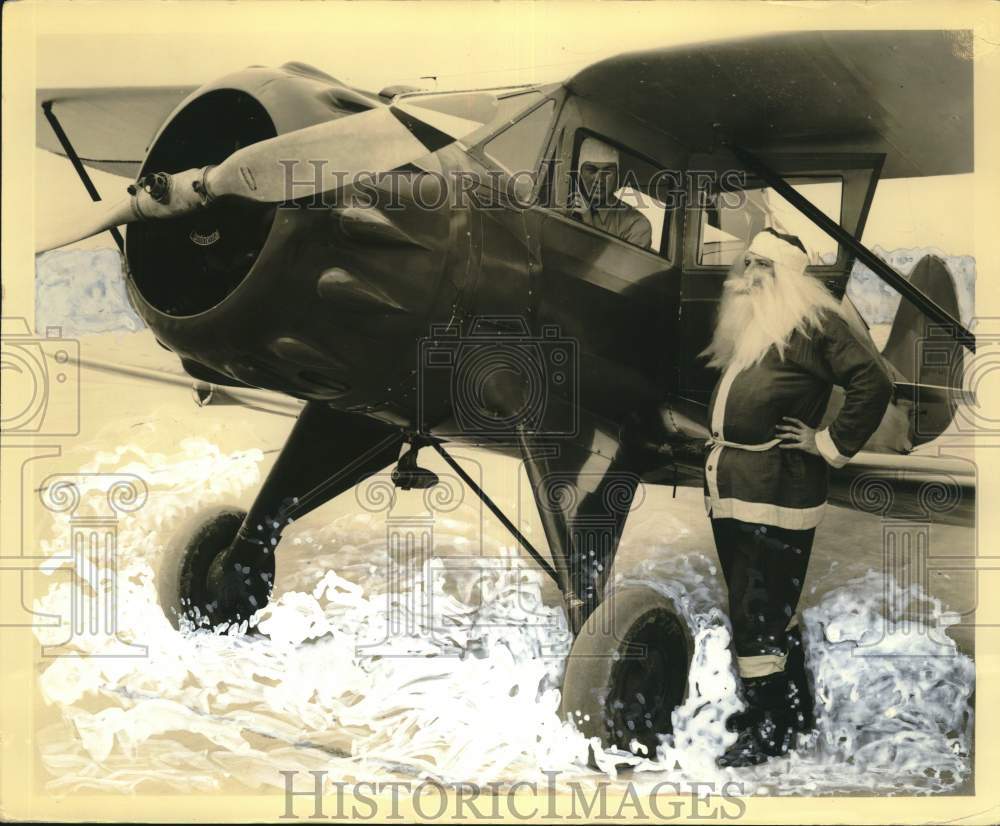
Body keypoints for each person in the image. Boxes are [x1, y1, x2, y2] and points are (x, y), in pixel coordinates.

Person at [700, 228, 893, 768]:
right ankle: (788, 706)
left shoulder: (814, 324)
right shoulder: (755, 322)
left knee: (756, 608)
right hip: (736, 484)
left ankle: (771, 730)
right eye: (747, 261)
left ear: (785, 274)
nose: (746, 274)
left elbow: (873, 382)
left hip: (776, 488)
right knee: (759, 603)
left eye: (761, 265)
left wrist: (826, 442)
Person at [570, 137, 652, 249]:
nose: (599, 179)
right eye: (592, 170)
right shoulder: (565, 205)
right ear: (580, 173)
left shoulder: (636, 225)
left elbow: (621, 266)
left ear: (617, 176)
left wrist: (588, 222)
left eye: (607, 171)